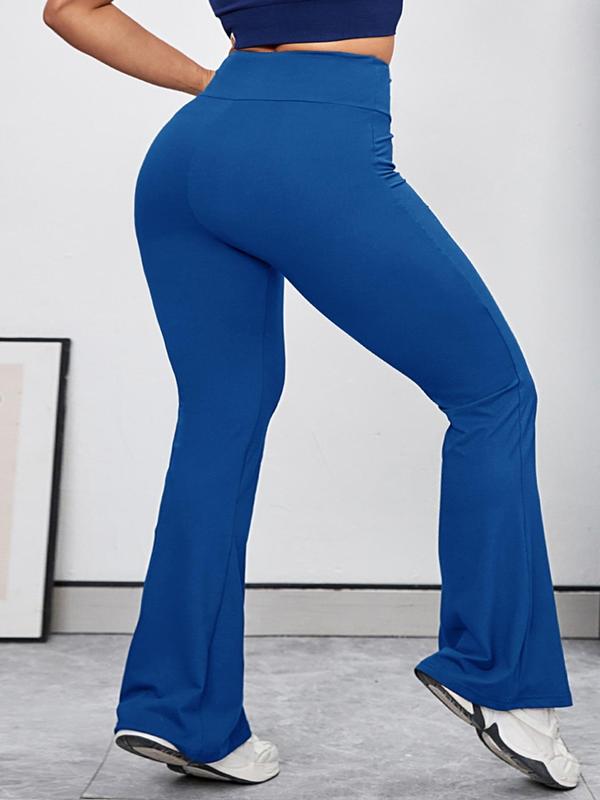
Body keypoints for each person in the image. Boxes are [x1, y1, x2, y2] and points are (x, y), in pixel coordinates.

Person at [43, 0, 581, 790]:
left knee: (217, 422)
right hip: (315, 141)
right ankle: (499, 679)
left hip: (193, 150)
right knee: (494, 394)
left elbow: (69, 9)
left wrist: (218, 88)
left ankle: (178, 709)